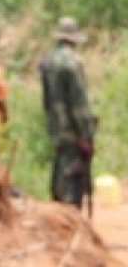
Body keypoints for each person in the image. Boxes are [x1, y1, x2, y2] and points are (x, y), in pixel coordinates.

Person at [40, 16, 96, 209]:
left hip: (56, 127)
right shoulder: (73, 63)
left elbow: (47, 100)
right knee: (73, 175)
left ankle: (57, 211)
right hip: (72, 130)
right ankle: (70, 215)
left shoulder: (47, 62)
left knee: (59, 169)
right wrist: (85, 135)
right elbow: (79, 104)